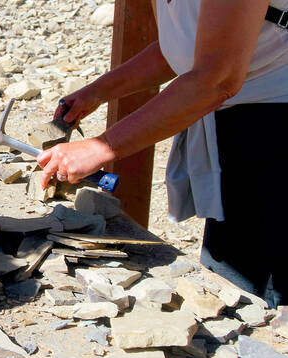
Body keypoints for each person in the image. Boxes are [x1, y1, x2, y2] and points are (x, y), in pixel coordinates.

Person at [37, 0, 287, 307]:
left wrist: (100, 147)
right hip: (238, 121)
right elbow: (178, 49)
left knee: (271, 292)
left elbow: (216, 79)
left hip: (276, 122)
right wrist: (99, 91)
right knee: (232, 273)